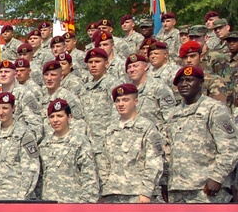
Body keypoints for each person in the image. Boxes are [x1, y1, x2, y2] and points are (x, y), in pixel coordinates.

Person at [164, 66, 238, 203]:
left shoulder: (215, 109)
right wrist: (164, 180)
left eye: (189, 80)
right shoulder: (173, 114)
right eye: (180, 81)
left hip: (206, 189)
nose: (184, 84)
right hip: (177, 189)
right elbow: (167, 150)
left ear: (201, 82)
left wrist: (217, 177)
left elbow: (230, 147)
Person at [97, 83, 163, 203]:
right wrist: (104, 188)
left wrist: (146, 192)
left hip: (137, 194)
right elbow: (104, 162)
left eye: (125, 100)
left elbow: (154, 162)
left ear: (136, 101)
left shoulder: (147, 127)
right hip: (112, 193)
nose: (121, 104)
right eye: (118, 101)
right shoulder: (110, 129)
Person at [38, 99, 99, 203]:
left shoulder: (79, 142)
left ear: (69, 117)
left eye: (60, 116)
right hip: (48, 204)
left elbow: (89, 176)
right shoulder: (44, 145)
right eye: (52, 117)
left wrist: (86, 204)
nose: (55, 120)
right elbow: (40, 180)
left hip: (73, 205)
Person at [0, 92, 40, 200]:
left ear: (13, 108)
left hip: (15, 197)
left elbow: (31, 168)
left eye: (5, 108)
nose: (1, 112)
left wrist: (22, 197)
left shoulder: (25, 135)